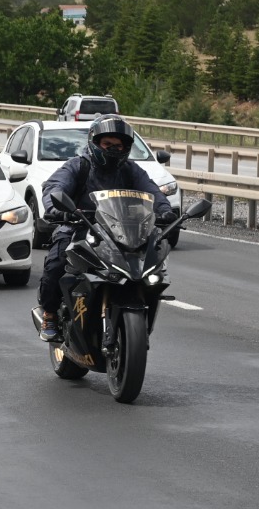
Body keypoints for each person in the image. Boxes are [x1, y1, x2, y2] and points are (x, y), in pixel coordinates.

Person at [34, 115, 176, 342]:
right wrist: (57, 207)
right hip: (80, 226)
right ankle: (50, 313)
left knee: (151, 264)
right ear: (95, 143)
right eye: (107, 144)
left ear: (126, 148)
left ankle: (138, 310)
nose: (113, 150)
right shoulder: (79, 166)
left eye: (118, 146)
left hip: (123, 231)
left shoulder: (131, 170)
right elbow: (55, 186)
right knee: (58, 260)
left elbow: (152, 191)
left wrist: (164, 210)